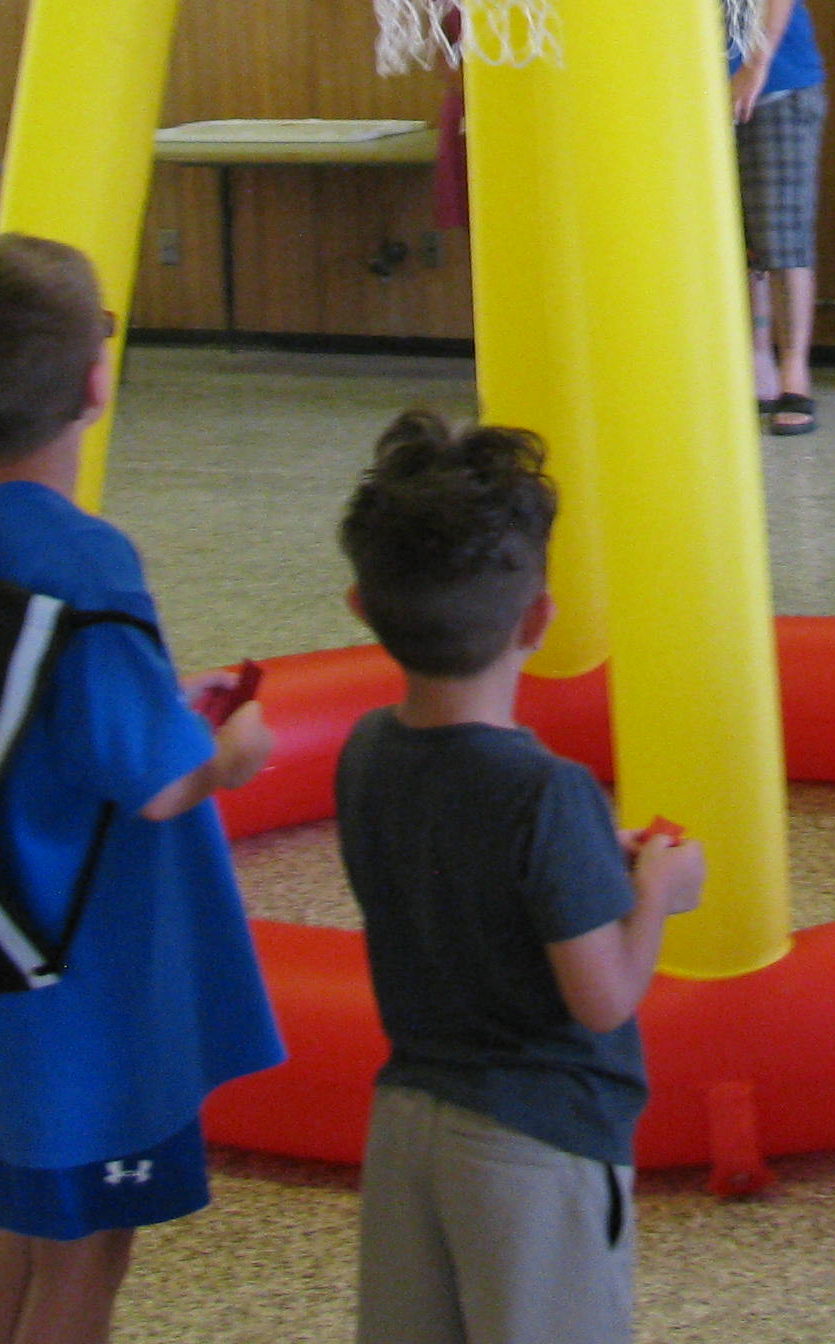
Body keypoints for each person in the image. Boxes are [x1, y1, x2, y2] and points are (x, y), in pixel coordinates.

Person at [0, 234, 280, 1344]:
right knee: (88, 1255)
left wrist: (158, 697)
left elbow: (30, 710)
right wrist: (231, 753)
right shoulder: (87, 561)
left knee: (24, 1238)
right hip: (87, 990)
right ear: (96, 381)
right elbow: (158, 786)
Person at [335, 410, 707, 1344]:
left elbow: (445, 868)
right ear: (538, 618)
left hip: (407, 1121)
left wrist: (584, 862)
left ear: (362, 608)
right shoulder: (548, 792)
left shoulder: (366, 749)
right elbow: (604, 999)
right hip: (537, 1144)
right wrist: (655, 891)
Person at [724, 0, 826, 436]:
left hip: (779, 84)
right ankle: (756, 356)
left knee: (783, 235)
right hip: (698, 88)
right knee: (738, 234)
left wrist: (755, 65)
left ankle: (795, 371)